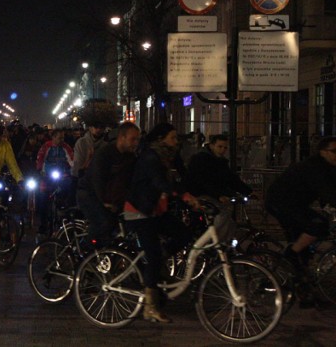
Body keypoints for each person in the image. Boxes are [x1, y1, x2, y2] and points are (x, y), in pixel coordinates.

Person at [124, 122, 199, 323]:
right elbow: (159, 182)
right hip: (140, 211)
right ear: (160, 139)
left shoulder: (169, 156)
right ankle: (149, 307)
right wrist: (182, 195)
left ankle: (158, 266)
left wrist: (195, 192)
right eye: (173, 137)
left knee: (184, 234)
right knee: (154, 255)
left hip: (156, 211)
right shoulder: (150, 156)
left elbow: (184, 175)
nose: (176, 141)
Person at [265, 136, 336, 271]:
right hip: (281, 202)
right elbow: (326, 191)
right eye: (335, 151)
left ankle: (297, 278)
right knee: (318, 224)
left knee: (302, 244)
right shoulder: (314, 167)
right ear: (323, 151)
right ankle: (290, 255)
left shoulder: (328, 167)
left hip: (296, 204)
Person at [76, 122, 140, 247]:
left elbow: (132, 179)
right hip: (89, 193)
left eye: (137, 139)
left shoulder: (130, 156)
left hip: (111, 195)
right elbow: (97, 179)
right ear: (122, 138)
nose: (136, 143)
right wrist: (105, 201)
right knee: (104, 222)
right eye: (133, 139)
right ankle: (86, 252)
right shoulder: (104, 153)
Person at [186, 134, 252, 204]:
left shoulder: (221, 161)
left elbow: (231, 178)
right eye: (220, 147)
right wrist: (218, 195)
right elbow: (203, 182)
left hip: (214, 196)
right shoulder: (200, 160)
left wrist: (248, 191)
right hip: (200, 196)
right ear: (212, 146)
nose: (222, 150)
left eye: (225, 148)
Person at [35, 128, 74, 235]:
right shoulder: (46, 146)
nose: (61, 140)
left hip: (62, 176)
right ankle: (43, 225)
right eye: (59, 138)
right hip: (46, 176)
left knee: (66, 197)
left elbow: (72, 160)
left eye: (63, 138)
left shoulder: (66, 147)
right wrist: (40, 171)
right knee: (43, 200)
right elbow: (40, 159)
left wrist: (73, 172)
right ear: (53, 137)